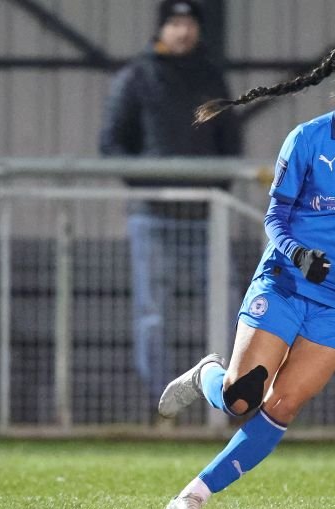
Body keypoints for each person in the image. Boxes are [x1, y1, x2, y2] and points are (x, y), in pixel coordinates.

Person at [157, 37, 335, 509]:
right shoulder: (307, 139)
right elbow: (274, 218)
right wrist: (299, 254)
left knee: (281, 406)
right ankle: (207, 376)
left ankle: (195, 494)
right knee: (243, 399)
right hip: (285, 281)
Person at [99, 0, 242, 410]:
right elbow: (112, 143)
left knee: (230, 306)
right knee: (154, 314)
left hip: (206, 213)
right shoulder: (137, 77)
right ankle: (161, 404)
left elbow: (229, 140)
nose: (183, 31)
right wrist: (151, 181)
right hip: (153, 215)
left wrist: (214, 183)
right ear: (162, 28)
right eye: (175, 23)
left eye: (189, 23)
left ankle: (229, 396)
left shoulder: (211, 76)